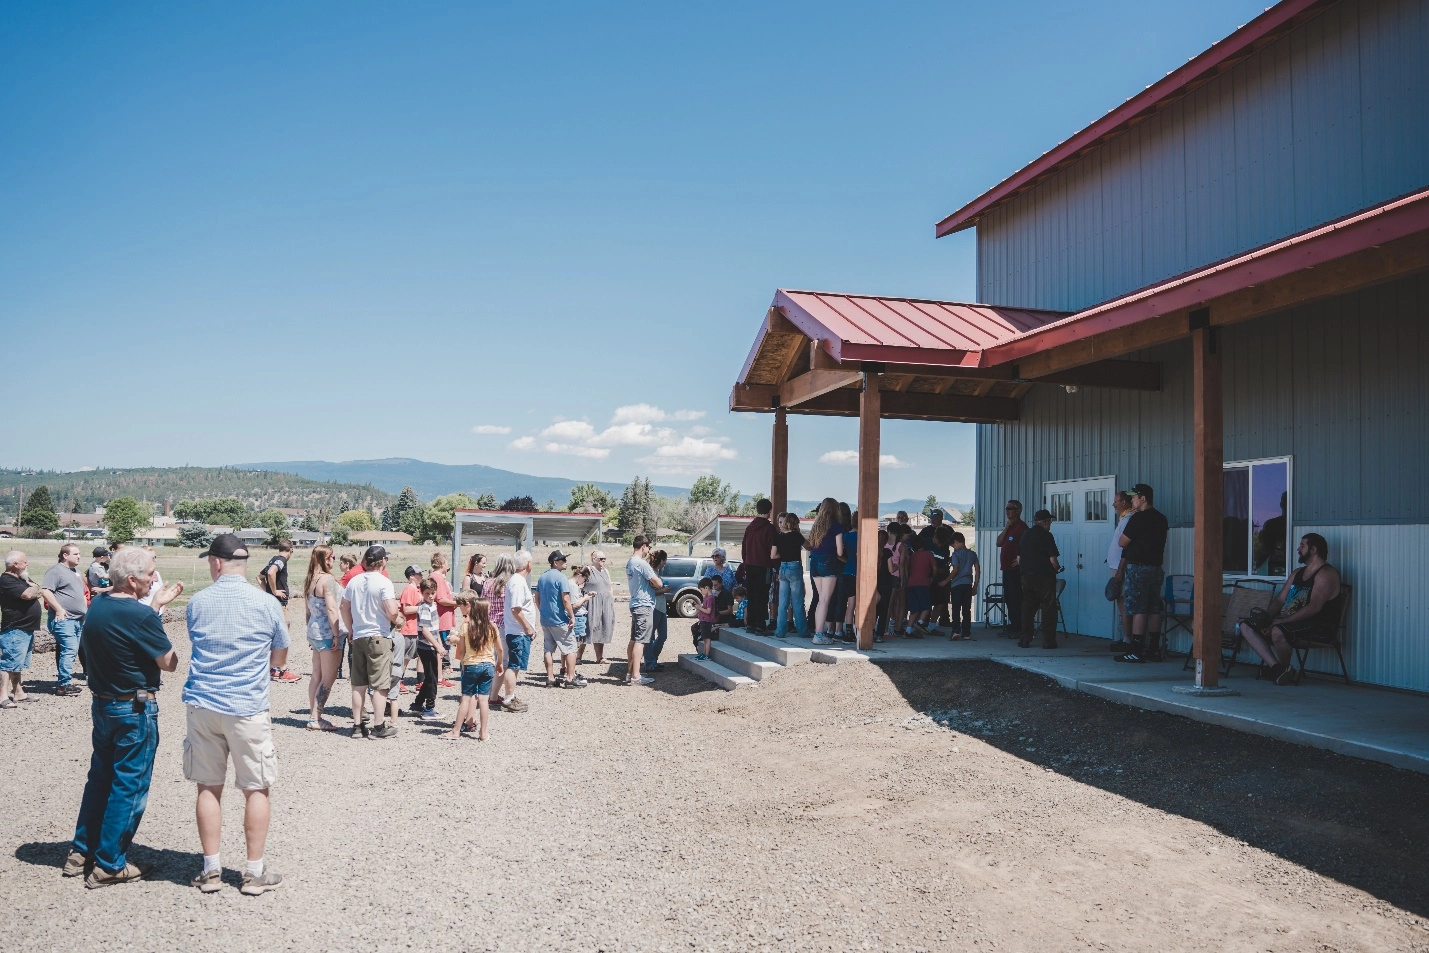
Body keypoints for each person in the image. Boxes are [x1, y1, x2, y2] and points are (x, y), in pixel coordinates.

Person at [64, 546, 178, 887]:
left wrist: (154, 605)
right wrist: (155, 612)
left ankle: (81, 851)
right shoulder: (139, 616)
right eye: (149, 576)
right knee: (129, 784)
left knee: (99, 779)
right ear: (132, 580)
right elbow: (169, 662)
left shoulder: (97, 605)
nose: (154, 580)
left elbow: (86, 651)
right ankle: (110, 863)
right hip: (134, 707)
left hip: (103, 704)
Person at [183, 533, 289, 895]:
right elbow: (279, 656)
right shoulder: (266, 603)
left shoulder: (197, 602)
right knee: (256, 787)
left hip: (204, 703)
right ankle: (253, 872)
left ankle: (210, 869)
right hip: (246, 706)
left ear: (215, 562)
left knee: (208, 787)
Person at [1238, 534, 1344, 686]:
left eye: (1302, 546)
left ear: (1313, 550)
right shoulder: (1297, 573)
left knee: (1277, 630)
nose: (1298, 549)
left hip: (1318, 626)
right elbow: (1280, 600)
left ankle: (1279, 671)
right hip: (1290, 622)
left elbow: (1314, 607)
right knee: (1246, 626)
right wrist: (1266, 619)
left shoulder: (1326, 574)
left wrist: (1279, 622)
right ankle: (1279, 669)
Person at [340, 545, 402, 738]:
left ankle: (358, 726)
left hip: (358, 636)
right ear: (382, 561)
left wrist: (350, 629)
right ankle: (378, 726)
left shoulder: (354, 581)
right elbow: (392, 611)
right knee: (380, 684)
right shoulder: (384, 582)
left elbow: (344, 607)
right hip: (379, 636)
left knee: (358, 684)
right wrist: (397, 618)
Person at [1113, 483, 1169, 663]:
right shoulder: (1161, 518)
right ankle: (1153, 649)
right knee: (1154, 607)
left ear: (1143, 498)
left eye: (1134, 497)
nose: (1132, 501)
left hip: (1138, 568)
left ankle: (1136, 650)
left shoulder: (1137, 519)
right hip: (1156, 568)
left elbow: (1122, 542)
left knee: (1138, 608)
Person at [443, 594, 503, 741]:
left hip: (471, 664)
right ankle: (483, 733)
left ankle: (456, 730)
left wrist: (463, 664)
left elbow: (462, 649)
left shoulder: (466, 626)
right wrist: (499, 663)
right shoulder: (492, 626)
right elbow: (499, 649)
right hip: (488, 664)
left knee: (466, 698)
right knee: (483, 700)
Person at [303, 545, 344, 731]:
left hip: (314, 630)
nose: (334, 560)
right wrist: (336, 633)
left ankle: (313, 713)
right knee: (328, 677)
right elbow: (331, 608)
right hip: (327, 632)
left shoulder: (311, 579)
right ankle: (316, 717)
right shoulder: (327, 580)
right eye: (332, 557)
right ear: (325, 559)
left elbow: (307, 611)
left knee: (316, 674)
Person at [1, 550, 49, 707]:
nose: (27, 564)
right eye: (24, 562)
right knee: (9, 662)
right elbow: (28, 594)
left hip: (26, 628)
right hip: (15, 628)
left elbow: (38, 589)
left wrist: (34, 589)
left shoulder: (21, 579)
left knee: (17, 663)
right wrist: (33, 589)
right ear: (15, 564)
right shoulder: (6, 580)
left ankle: (18, 693)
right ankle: (2, 696)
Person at [42, 544, 89, 696]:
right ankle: (63, 685)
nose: (79, 556)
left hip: (78, 620)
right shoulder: (55, 571)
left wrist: (85, 612)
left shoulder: (76, 572)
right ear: (65, 556)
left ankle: (65, 682)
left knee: (72, 651)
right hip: (64, 620)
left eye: (79, 553)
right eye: (75, 554)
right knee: (69, 650)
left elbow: (81, 594)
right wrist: (59, 609)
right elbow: (45, 591)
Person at [537, 550, 587, 689]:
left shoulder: (542, 577)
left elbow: (537, 597)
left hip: (546, 619)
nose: (565, 562)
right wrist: (571, 616)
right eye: (563, 560)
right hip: (559, 619)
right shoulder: (561, 578)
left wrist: (542, 611)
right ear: (555, 562)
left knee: (548, 649)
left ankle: (550, 678)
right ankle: (570, 678)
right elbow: (566, 599)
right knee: (571, 648)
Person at [496, 551, 537, 708]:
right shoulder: (518, 582)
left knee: (515, 665)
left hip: (518, 631)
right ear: (528, 564)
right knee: (514, 665)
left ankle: (510, 695)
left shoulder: (516, 581)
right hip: (518, 632)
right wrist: (527, 627)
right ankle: (508, 698)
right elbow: (516, 609)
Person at [1017, 510, 1062, 649]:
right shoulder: (1047, 536)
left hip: (1027, 576)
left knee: (1028, 609)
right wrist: (1057, 568)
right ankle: (1048, 642)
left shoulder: (1025, 534)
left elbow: (1019, 559)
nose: (1050, 525)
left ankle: (1025, 639)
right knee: (1048, 608)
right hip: (1044, 577)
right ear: (1046, 522)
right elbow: (1053, 559)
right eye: (1050, 522)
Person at [624, 535, 664, 685]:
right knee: (641, 641)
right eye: (648, 547)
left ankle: (630, 672)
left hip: (635, 603)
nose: (648, 550)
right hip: (644, 604)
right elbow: (658, 583)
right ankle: (636, 676)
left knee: (634, 639)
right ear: (644, 546)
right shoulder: (641, 564)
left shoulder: (630, 562)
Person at [260, 541, 300, 683]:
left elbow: (260, 577)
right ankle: (282, 670)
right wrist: (275, 591)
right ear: (291, 549)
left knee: (274, 635)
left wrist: (268, 594)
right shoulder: (281, 560)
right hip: (280, 605)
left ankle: (273, 668)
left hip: (272, 603)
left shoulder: (273, 559)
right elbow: (271, 573)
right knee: (283, 634)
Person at [807, 498, 844, 645]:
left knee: (820, 599)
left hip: (814, 561)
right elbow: (840, 551)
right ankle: (819, 634)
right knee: (824, 600)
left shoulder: (816, 525)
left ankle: (818, 632)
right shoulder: (835, 526)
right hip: (828, 561)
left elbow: (811, 545)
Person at [391, 565, 425, 722]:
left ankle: (401, 680)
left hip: (412, 629)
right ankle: (400, 680)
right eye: (419, 574)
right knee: (403, 658)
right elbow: (406, 609)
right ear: (411, 576)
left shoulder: (415, 589)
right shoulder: (409, 590)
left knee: (407, 657)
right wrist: (420, 607)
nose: (421, 576)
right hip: (407, 629)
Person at [409, 579, 445, 718]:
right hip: (426, 646)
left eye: (432, 593)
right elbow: (425, 630)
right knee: (432, 679)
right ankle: (430, 708)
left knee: (431, 677)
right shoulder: (424, 607)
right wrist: (437, 646)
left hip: (431, 645)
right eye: (427, 593)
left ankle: (418, 704)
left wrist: (439, 643)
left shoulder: (432, 605)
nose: (430, 596)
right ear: (422, 593)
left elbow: (435, 629)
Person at [739, 499, 776, 632]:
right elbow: (772, 549)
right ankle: (760, 625)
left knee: (752, 595)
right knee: (762, 596)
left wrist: (746, 561)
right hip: (763, 566)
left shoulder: (750, 527)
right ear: (770, 511)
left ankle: (751, 624)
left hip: (749, 565)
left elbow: (744, 548)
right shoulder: (770, 529)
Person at [770, 514, 808, 639]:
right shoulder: (796, 535)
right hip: (795, 567)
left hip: (783, 568)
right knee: (797, 601)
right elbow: (809, 546)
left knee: (783, 602)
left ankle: (780, 631)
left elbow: (773, 556)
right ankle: (802, 631)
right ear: (795, 523)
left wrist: (784, 554)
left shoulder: (778, 536)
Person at [1107, 490, 1135, 648]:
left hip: (1121, 567)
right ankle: (1124, 636)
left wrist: (1120, 569)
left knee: (1123, 603)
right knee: (1120, 602)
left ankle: (1127, 638)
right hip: (1116, 565)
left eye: (1116, 501)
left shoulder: (1129, 519)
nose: (1113, 504)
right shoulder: (1124, 518)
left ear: (1124, 502)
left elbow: (1125, 547)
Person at [996, 501, 1028, 633]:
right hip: (1007, 569)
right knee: (1009, 598)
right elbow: (999, 543)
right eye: (1006, 508)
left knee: (1016, 598)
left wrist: (1022, 560)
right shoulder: (1010, 527)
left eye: (1010, 509)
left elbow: (1029, 547)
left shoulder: (1022, 528)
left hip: (1016, 571)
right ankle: (1013, 624)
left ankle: (1019, 626)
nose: (1007, 511)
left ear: (1018, 510)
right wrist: (1006, 528)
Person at [578, 551, 615, 665]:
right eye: (601, 558)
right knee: (587, 628)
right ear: (594, 559)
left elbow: (609, 586)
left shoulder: (606, 571)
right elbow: (579, 584)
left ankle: (600, 657)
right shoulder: (588, 570)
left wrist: (610, 599)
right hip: (591, 603)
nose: (603, 560)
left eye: (604, 558)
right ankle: (578, 656)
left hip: (605, 604)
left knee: (601, 628)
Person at [429, 552, 459, 686]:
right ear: (442, 564)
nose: (447, 566)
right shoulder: (438, 578)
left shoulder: (436, 577)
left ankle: (439, 673)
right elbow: (441, 599)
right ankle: (439, 674)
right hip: (442, 617)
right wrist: (457, 603)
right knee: (443, 644)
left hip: (444, 616)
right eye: (446, 563)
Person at [831, 506, 858, 643]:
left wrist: (848, 560)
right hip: (856, 572)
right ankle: (853, 630)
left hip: (845, 570)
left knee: (844, 602)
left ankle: (841, 630)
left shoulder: (846, 535)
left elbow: (838, 553)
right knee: (854, 603)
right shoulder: (862, 537)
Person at [947, 532, 980, 641]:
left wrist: (946, 580)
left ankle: (956, 631)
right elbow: (977, 569)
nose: (953, 548)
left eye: (953, 546)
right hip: (967, 584)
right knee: (967, 609)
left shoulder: (955, 555)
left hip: (956, 585)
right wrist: (975, 584)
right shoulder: (972, 554)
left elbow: (955, 570)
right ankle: (966, 633)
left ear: (956, 542)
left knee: (956, 609)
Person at [642, 552, 669, 672]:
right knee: (650, 636)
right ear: (662, 560)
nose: (665, 563)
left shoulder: (657, 573)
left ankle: (652, 659)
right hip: (654, 606)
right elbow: (650, 592)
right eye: (665, 560)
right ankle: (650, 663)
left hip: (662, 607)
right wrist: (664, 590)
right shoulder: (650, 573)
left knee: (663, 635)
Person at [903, 534, 934, 638]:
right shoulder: (928, 554)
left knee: (914, 610)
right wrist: (932, 577)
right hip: (923, 583)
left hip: (911, 584)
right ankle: (920, 623)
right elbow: (934, 568)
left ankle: (908, 631)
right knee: (927, 606)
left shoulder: (912, 556)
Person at [694, 577, 716, 660]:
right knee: (704, 638)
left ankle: (707, 654)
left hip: (707, 620)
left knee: (707, 638)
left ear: (706, 588)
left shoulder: (710, 598)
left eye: (702, 590)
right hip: (703, 620)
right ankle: (704, 653)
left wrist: (699, 608)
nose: (701, 592)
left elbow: (708, 611)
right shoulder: (707, 597)